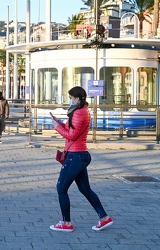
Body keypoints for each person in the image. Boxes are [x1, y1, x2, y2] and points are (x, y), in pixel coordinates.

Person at [49, 86, 113, 232]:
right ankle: (104, 218)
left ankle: (66, 223)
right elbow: (71, 128)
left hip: (75, 156)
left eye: (71, 98)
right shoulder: (82, 111)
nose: (70, 100)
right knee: (85, 189)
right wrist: (59, 122)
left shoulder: (79, 112)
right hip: (79, 155)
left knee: (61, 189)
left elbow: (71, 135)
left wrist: (56, 128)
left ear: (77, 98)